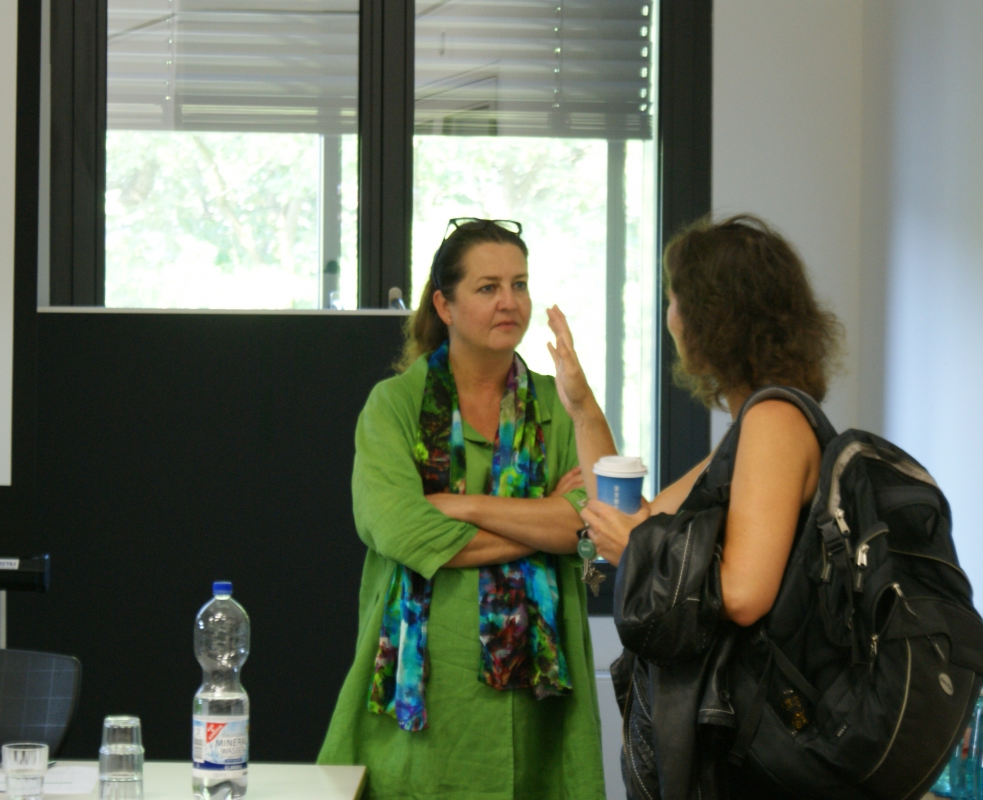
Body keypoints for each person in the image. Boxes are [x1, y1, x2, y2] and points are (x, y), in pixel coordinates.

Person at [546, 214, 842, 799]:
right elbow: (639, 516)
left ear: (714, 318)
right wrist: (581, 407)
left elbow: (744, 593)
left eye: (675, 300)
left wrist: (637, 549)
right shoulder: (753, 426)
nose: (670, 317)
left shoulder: (774, 422)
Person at [317, 218, 606, 800]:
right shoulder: (394, 405)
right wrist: (546, 522)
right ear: (444, 305)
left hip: (539, 704)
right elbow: (403, 529)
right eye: (488, 287)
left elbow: (596, 517)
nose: (510, 302)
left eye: (519, 284)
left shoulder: (557, 405)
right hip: (420, 701)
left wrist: (463, 505)